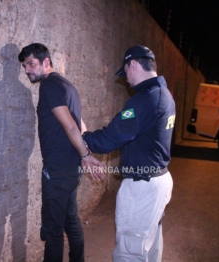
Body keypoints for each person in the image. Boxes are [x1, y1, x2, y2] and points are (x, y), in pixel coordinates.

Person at [82, 45, 175, 261]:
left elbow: (109, 139)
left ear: (132, 65)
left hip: (142, 187)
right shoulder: (164, 95)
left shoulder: (145, 100)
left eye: (125, 73)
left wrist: (84, 137)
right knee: (149, 246)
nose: (126, 80)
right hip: (157, 180)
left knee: (130, 251)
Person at [18, 43, 104, 262]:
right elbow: (80, 123)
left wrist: (86, 156)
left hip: (58, 169)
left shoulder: (49, 85)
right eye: (24, 65)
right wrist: (86, 153)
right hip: (69, 167)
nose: (27, 70)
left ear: (46, 62)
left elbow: (71, 126)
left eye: (31, 64)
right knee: (70, 219)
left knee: (53, 229)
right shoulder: (67, 85)